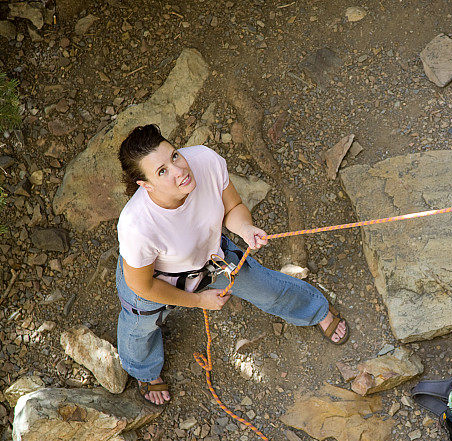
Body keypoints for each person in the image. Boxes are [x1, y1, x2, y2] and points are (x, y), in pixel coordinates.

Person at [115, 124, 349, 405]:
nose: (179, 171)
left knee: (266, 287)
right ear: (146, 185)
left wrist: (246, 229)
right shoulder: (136, 225)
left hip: (211, 259)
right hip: (153, 281)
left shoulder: (204, 161)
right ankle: (146, 372)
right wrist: (199, 300)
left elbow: (233, 208)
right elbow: (142, 285)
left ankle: (315, 309)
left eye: (174, 156)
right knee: (139, 329)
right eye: (162, 171)